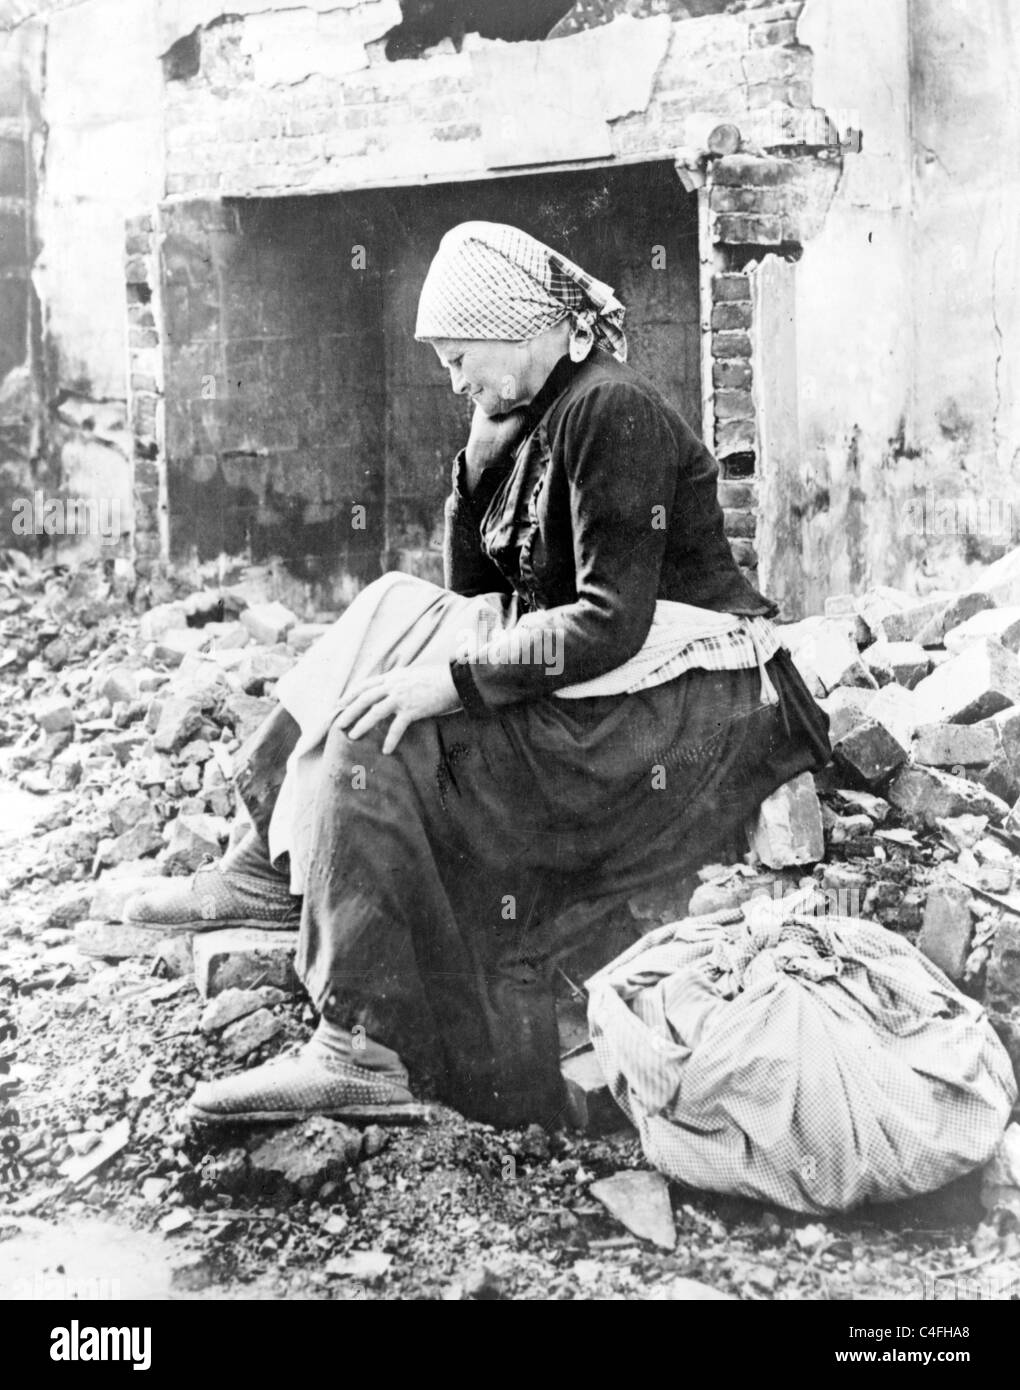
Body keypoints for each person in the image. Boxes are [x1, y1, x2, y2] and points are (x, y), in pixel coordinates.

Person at [126, 221, 831, 1128]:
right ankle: (266, 857)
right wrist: (476, 459)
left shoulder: (610, 411)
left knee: (381, 743)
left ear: (526, 329)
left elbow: (612, 619)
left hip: (693, 702)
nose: (455, 380)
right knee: (387, 603)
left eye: (462, 357)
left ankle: (360, 1049)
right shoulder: (531, 415)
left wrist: (450, 686)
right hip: (605, 664)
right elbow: (473, 595)